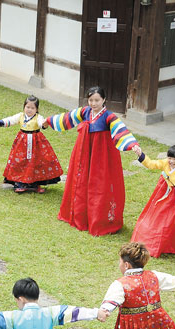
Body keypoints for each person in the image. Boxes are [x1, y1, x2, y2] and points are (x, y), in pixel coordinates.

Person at [44, 87, 140, 235]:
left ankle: (99, 219)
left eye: (97, 100)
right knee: (81, 180)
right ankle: (80, 215)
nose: (93, 103)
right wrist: (48, 121)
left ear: (104, 100)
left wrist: (132, 145)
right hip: (83, 151)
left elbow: (121, 131)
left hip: (102, 154)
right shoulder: (85, 112)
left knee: (99, 183)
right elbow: (67, 118)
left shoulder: (109, 117)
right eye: (91, 100)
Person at [130, 145, 175, 257]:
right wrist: (140, 154)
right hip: (165, 192)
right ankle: (154, 242)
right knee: (160, 216)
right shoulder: (165, 163)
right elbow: (151, 164)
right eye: (170, 158)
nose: (171, 161)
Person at [0, 95, 62, 193]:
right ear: (24, 107)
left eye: (32, 108)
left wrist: (45, 123)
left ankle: (35, 184)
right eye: (28, 107)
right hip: (22, 143)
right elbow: (11, 120)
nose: (29, 110)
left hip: (36, 143)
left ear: (37, 109)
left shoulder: (38, 117)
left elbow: (42, 124)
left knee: (37, 162)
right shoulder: (20, 116)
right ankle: (20, 183)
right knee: (20, 161)